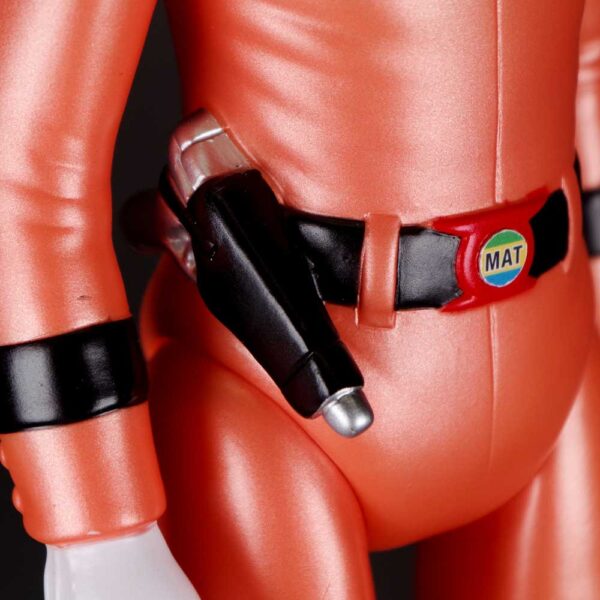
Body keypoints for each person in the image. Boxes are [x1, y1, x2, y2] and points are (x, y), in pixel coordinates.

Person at [1, 1, 600, 598]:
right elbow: (24, 165)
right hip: (269, 399)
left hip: (557, 357)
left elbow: (588, 59)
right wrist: (97, 524)